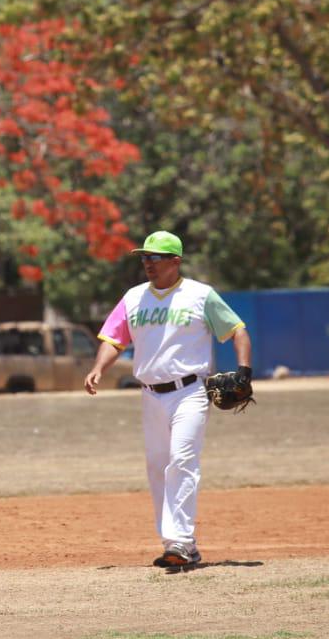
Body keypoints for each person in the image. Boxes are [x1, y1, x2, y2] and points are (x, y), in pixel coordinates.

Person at [84, 230, 252, 570]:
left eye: (155, 257)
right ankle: (171, 543)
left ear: (175, 261)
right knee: (158, 467)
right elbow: (114, 339)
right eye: (144, 257)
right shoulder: (133, 298)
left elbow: (237, 330)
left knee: (181, 460)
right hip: (150, 394)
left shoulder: (199, 295)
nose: (148, 263)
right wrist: (99, 367)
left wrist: (244, 371)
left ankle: (182, 544)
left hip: (190, 391)